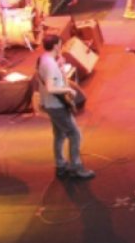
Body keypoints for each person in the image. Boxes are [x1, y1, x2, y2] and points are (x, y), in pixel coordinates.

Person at [36, 34, 95, 180]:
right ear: (56, 45)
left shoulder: (43, 59)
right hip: (56, 105)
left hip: (50, 104)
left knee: (59, 134)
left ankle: (60, 165)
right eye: (60, 44)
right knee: (74, 134)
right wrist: (68, 90)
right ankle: (76, 167)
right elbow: (51, 87)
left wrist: (60, 64)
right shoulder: (50, 65)